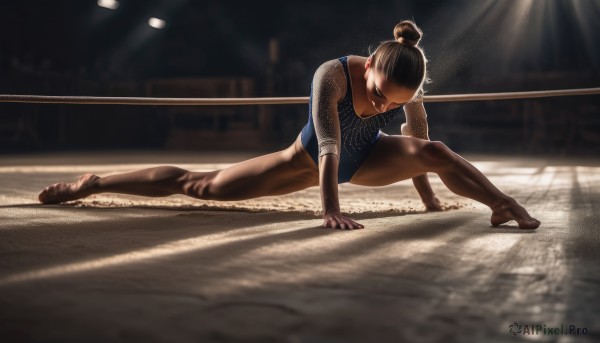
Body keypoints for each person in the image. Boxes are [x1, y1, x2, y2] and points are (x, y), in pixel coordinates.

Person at [38, 20, 540, 230]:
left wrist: (429, 199)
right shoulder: (333, 76)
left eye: (398, 102)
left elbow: (419, 141)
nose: (385, 104)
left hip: (370, 157)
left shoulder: (406, 87)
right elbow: (327, 144)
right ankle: (94, 182)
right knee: (203, 186)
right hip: (308, 161)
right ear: (368, 67)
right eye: (380, 95)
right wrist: (330, 210)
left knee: (438, 149)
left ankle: (503, 204)